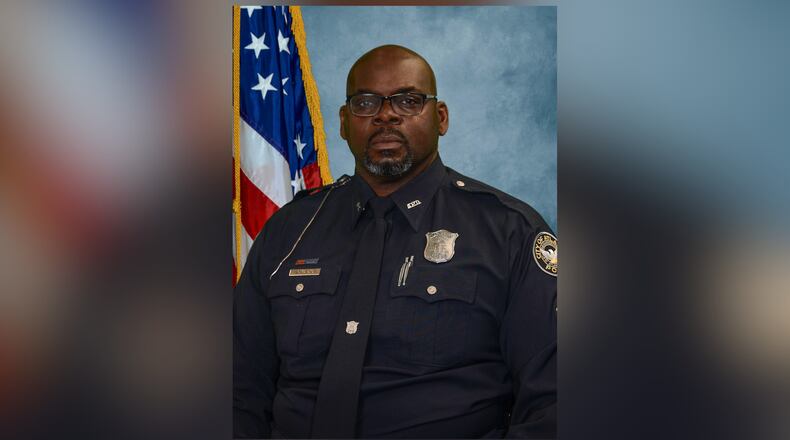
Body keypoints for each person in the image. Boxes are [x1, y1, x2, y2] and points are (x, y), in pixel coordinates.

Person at [234, 45, 557, 439]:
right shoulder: (289, 230)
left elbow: (554, 405)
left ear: (441, 118)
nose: (386, 114)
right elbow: (240, 390)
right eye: (365, 102)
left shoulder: (509, 232)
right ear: (343, 123)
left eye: (408, 100)